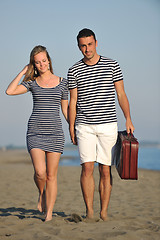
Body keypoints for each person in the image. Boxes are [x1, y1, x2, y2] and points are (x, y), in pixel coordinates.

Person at [68, 28, 135, 221]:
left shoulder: (112, 65)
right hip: (84, 126)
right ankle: (89, 212)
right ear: (78, 46)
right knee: (87, 168)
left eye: (90, 44)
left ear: (96, 43)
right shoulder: (74, 70)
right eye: (83, 45)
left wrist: (128, 118)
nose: (87, 49)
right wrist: (71, 127)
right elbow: (73, 101)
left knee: (105, 169)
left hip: (108, 125)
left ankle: (103, 213)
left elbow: (121, 94)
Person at [6, 45, 68, 222]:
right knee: (40, 173)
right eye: (37, 62)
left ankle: (48, 213)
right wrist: (23, 71)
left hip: (56, 133)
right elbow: (9, 91)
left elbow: (65, 110)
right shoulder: (32, 82)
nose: (42, 64)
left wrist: (73, 127)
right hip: (35, 132)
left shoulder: (63, 82)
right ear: (34, 64)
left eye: (44, 60)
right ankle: (42, 193)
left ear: (48, 60)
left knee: (51, 175)